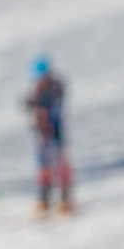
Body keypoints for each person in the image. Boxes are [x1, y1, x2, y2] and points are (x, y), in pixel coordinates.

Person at [27, 56, 71, 217]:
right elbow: (33, 110)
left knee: (59, 163)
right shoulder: (35, 89)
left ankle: (64, 199)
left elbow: (55, 110)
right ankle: (43, 198)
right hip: (40, 134)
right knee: (42, 166)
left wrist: (48, 120)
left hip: (55, 131)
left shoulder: (55, 88)